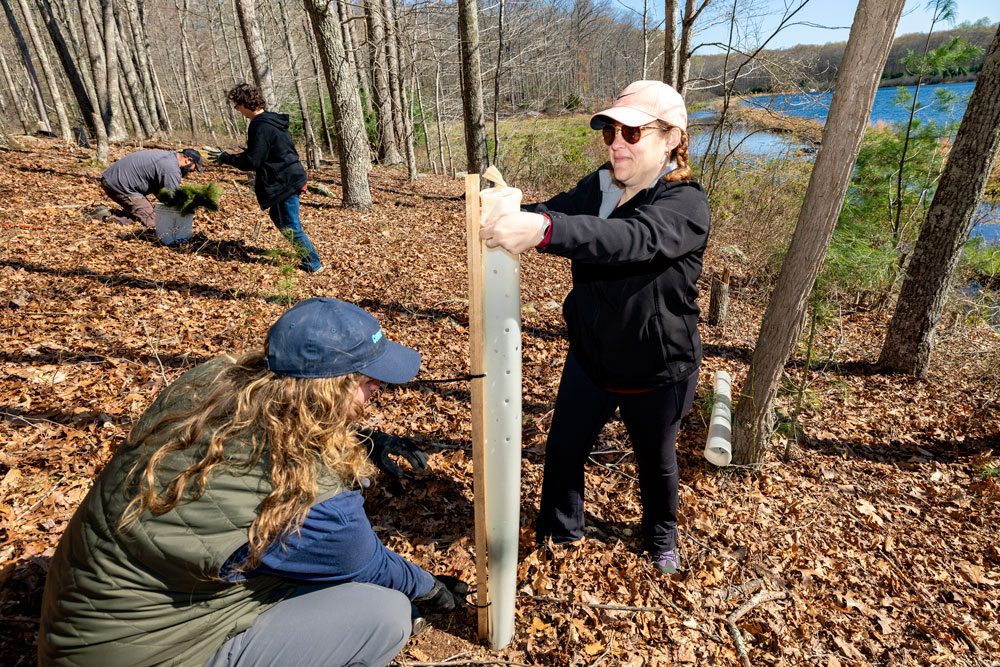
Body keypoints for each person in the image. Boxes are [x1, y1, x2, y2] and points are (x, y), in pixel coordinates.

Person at [39, 297, 469, 667]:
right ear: (325, 390)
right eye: (364, 380)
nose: (377, 388)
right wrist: (430, 589)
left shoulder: (207, 386)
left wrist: (366, 441)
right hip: (149, 653)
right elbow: (366, 562)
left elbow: (277, 433)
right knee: (386, 612)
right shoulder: (306, 495)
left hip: (86, 623)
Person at [479, 80, 710, 575]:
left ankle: (660, 536)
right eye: (610, 133)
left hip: (658, 367)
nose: (617, 143)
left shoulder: (685, 204)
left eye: (631, 132)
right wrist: (509, 212)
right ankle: (561, 532)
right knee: (563, 447)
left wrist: (546, 232)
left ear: (671, 138)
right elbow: (557, 209)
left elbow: (633, 238)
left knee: (656, 461)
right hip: (591, 356)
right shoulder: (599, 186)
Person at [215, 83, 323, 274]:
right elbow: (262, 154)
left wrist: (227, 159)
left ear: (245, 103)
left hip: (285, 180)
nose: (236, 109)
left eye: (237, 105)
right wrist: (234, 157)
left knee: (290, 225)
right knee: (278, 218)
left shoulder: (260, 125)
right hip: (288, 176)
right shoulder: (271, 121)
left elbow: (253, 161)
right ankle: (307, 258)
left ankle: (313, 264)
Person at [92, 148, 204, 228]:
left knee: (146, 214)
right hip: (119, 186)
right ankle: (105, 217)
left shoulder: (168, 157)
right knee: (154, 223)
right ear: (188, 160)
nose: (190, 173)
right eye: (192, 169)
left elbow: (160, 191)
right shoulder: (171, 168)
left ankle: (129, 215)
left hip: (114, 181)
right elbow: (172, 196)